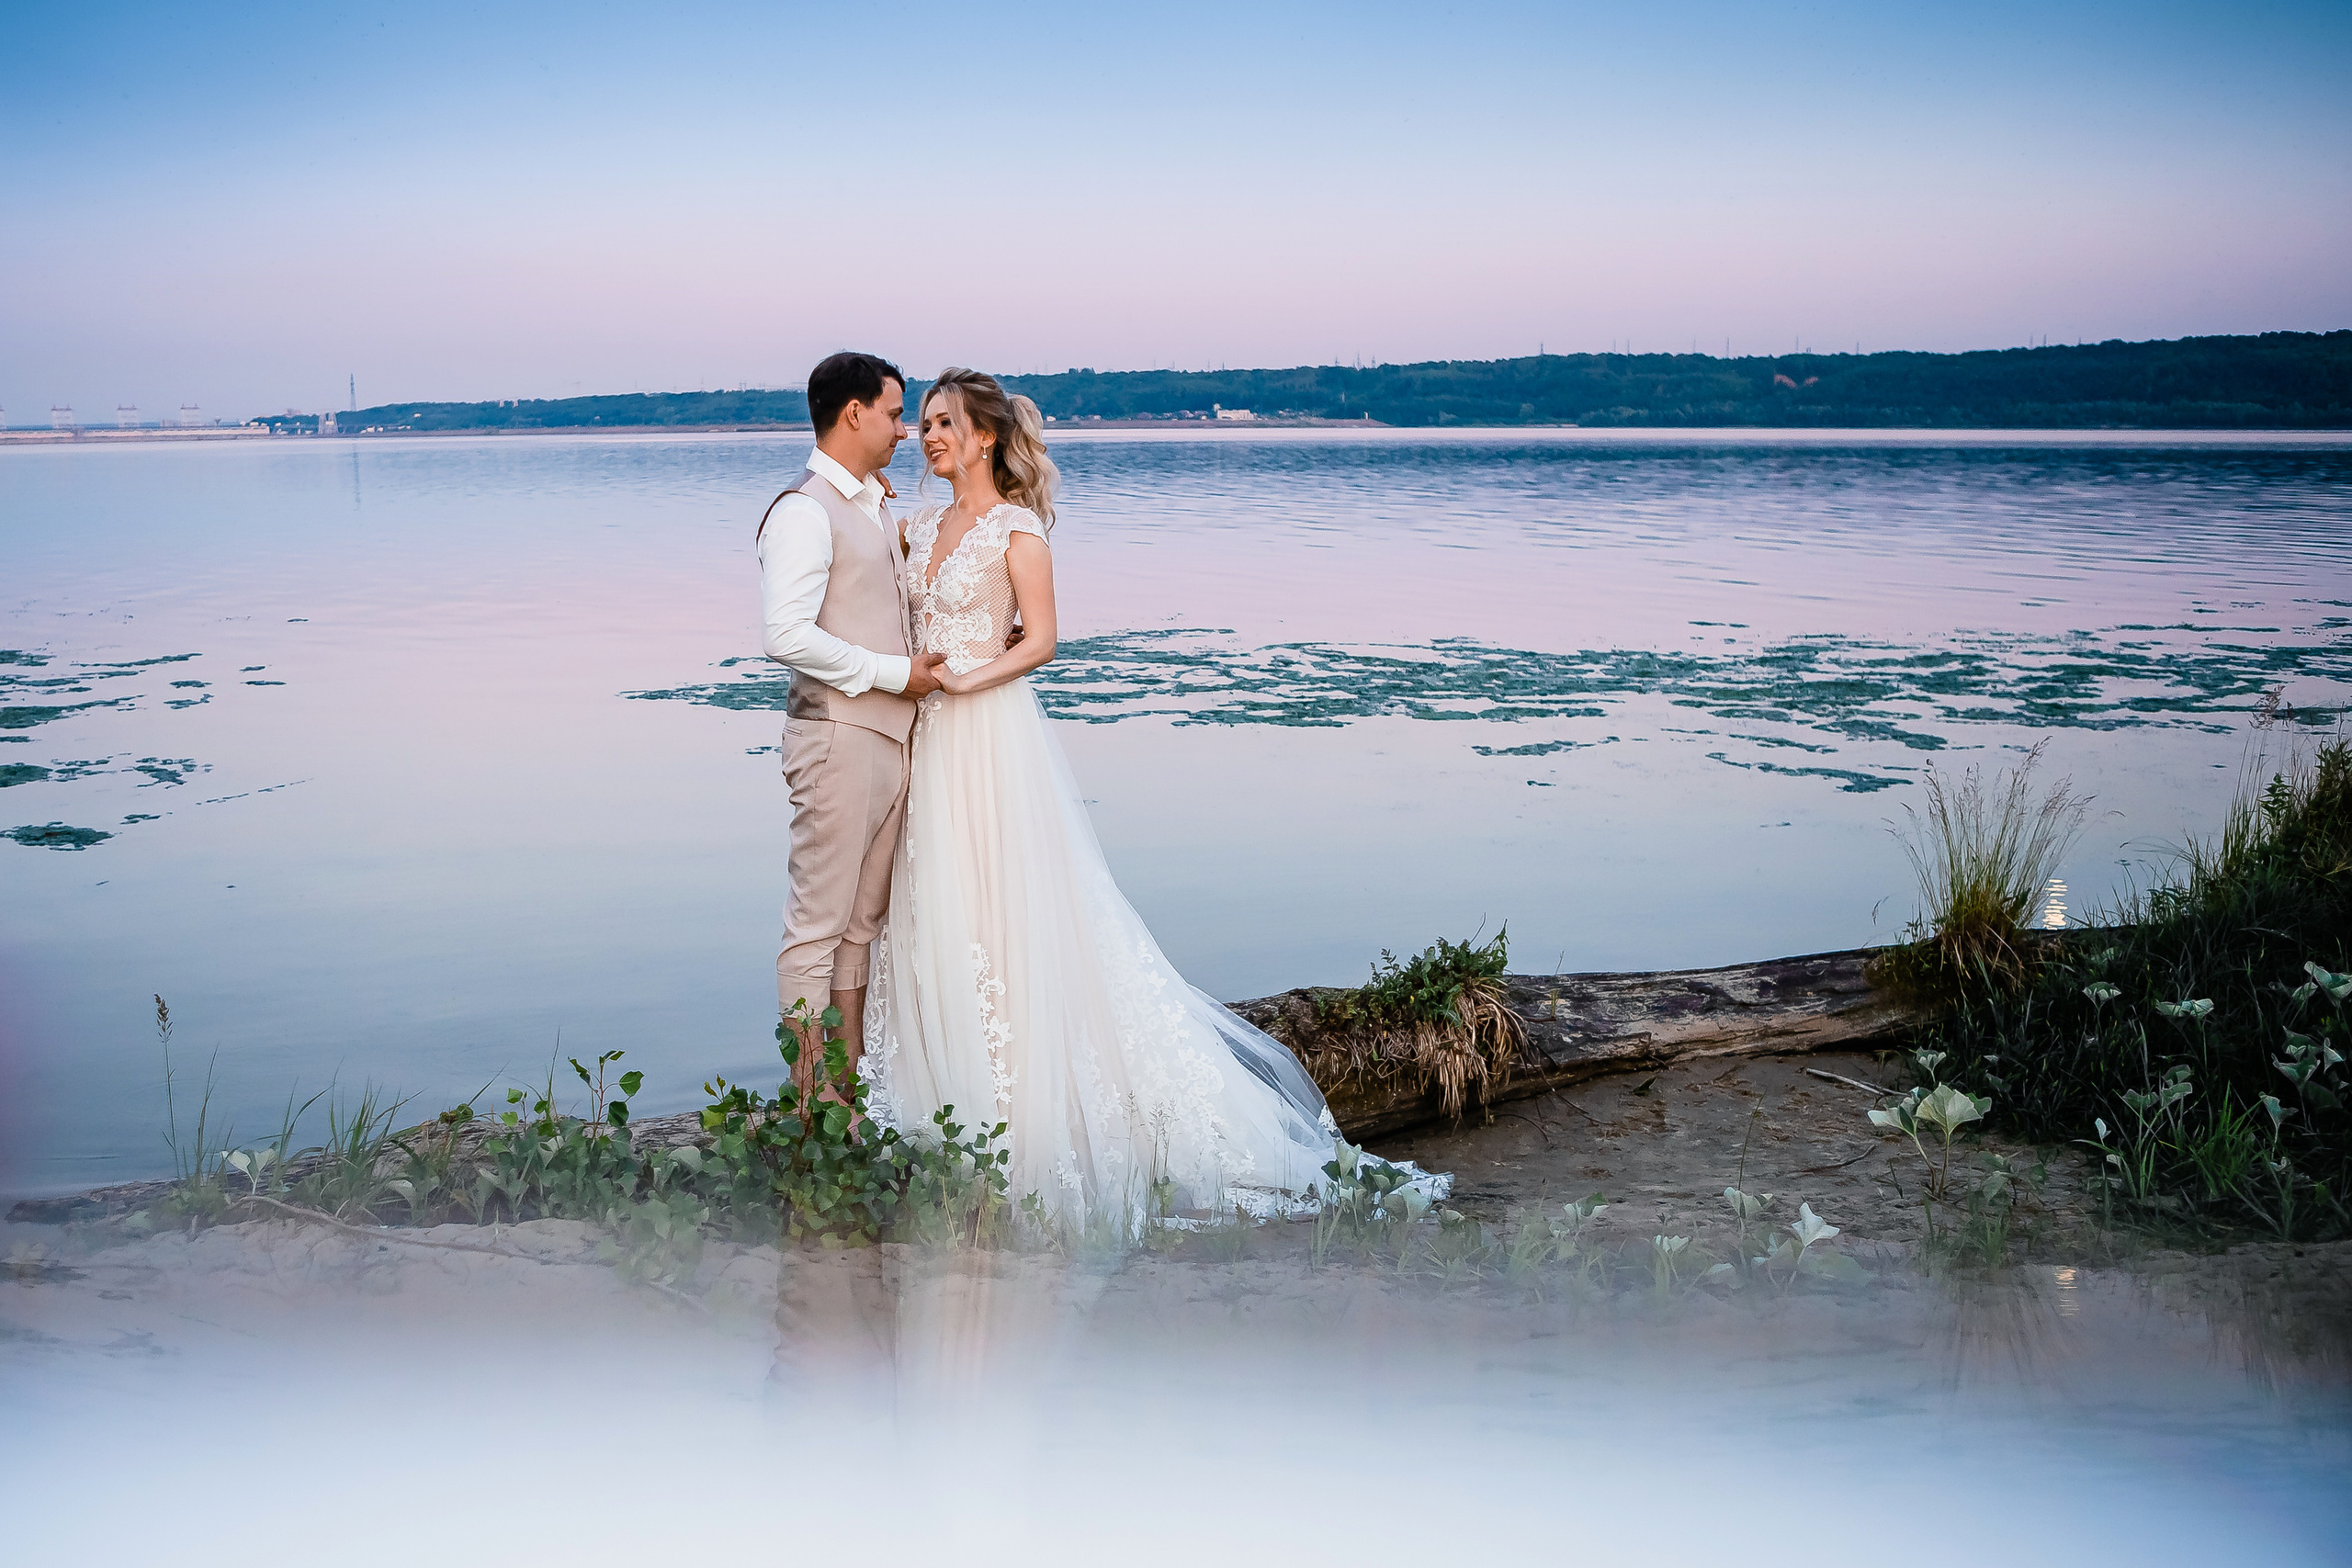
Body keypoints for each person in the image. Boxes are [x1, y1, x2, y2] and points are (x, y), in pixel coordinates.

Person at [860, 367, 1409, 1231]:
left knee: (1007, 903)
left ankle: (1031, 1108)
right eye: (921, 422)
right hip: (927, 737)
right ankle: (943, 1095)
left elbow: (1042, 640)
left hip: (988, 731)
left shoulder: (1018, 530)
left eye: (943, 423)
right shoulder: (917, 522)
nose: (927, 436)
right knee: (936, 902)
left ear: (987, 438)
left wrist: (971, 678)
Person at [756, 351, 945, 1101]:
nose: (905, 429)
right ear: (854, 413)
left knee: (860, 927)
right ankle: (810, 1101)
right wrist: (895, 674)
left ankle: (848, 1093)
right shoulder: (803, 511)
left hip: (886, 741)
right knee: (816, 928)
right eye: (897, 413)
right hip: (836, 739)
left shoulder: (867, 502)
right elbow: (785, 634)